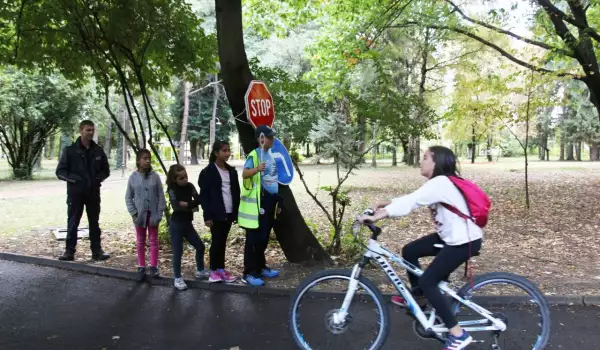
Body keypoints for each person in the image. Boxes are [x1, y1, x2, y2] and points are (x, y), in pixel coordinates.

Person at [358, 146, 483, 350]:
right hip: (450, 238)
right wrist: (384, 203)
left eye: (425, 157)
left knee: (428, 281)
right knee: (410, 251)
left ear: (437, 163)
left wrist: (378, 215)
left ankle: (458, 335)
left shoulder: (441, 183)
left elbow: (412, 201)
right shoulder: (437, 184)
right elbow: (414, 197)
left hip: (463, 242)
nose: (421, 161)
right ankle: (419, 297)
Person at [55, 120, 110, 261]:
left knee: (94, 222)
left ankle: (97, 251)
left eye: (92, 130)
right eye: (88, 130)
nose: (91, 133)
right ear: (81, 131)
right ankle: (69, 252)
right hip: (76, 194)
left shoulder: (98, 150)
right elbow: (60, 172)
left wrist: (97, 179)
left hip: (93, 193)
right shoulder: (70, 151)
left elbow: (106, 170)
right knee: (73, 222)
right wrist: (75, 180)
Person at [239, 125, 281, 287]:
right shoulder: (254, 155)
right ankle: (249, 272)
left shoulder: (269, 154)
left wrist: (277, 200)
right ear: (262, 138)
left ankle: (260, 267)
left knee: (263, 238)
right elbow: (245, 173)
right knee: (254, 240)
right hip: (257, 204)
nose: (273, 139)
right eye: (270, 137)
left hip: (270, 202)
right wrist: (257, 169)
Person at [199, 140, 240, 283]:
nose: (227, 153)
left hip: (228, 212)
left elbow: (235, 191)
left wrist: (235, 212)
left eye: (228, 150)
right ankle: (213, 271)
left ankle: (221, 269)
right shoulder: (207, 173)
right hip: (215, 213)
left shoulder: (231, 171)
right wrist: (207, 216)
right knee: (216, 241)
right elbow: (204, 196)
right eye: (224, 150)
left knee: (222, 241)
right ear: (216, 153)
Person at [166, 164, 209, 291]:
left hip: (187, 224)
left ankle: (200, 271)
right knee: (178, 252)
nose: (185, 180)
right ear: (174, 179)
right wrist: (193, 207)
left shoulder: (190, 186)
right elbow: (176, 207)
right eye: (181, 178)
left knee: (200, 246)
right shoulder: (172, 189)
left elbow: (199, 199)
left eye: (186, 177)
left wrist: (188, 205)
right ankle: (177, 278)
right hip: (176, 225)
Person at [125, 149, 166, 281]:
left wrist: (159, 213)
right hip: (139, 216)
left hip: (153, 215)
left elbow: (161, 195)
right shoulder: (133, 177)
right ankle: (141, 266)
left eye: (149, 158)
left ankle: (154, 267)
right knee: (140, 241)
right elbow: (128, 197)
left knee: (154, 240)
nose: (147, 160)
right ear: (138, 160)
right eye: (144, 158)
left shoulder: (155, 176)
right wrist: (134, 213)